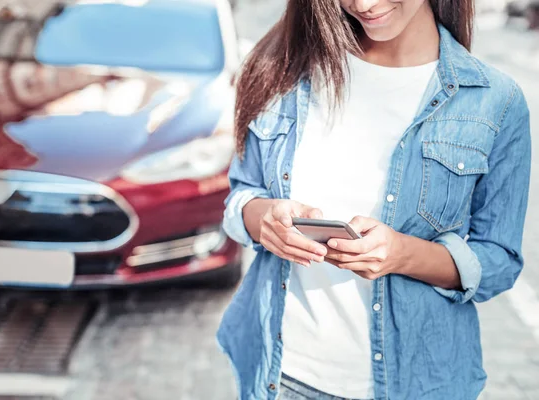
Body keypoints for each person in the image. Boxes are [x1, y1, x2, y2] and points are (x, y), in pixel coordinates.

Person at [217, 0, 532, 399]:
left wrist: (402, 254)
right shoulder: (283, 70)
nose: (362, 5)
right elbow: (242, 194)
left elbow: (499, 261)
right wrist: (262, 218)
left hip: (419, 385)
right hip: (283, 375)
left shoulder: (495, 101)